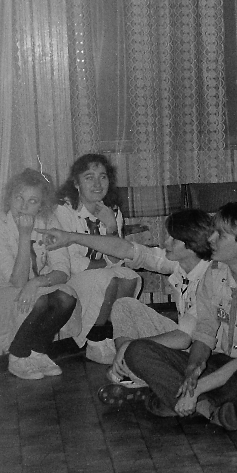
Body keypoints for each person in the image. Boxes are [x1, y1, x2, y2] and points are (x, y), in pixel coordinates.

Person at [121, 203, 237, 430]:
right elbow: (204, 332)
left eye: (220, 235)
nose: (211, 239)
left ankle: (182, 402)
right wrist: (193, 370)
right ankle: (209, 408)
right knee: (136, 350)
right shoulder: (214, 272)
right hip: (218, 364)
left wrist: (197, 388)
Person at [39, 208, 215, 396]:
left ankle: (146, 373)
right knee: (124, 306)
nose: (165, 242)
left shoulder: (210, 277)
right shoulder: (181, 263)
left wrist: (130, 346)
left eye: (173, 239)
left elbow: (184, 338)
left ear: (192, 244)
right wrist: (70, 237)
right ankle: (128, 369)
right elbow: (126, 250)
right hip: (186, 342)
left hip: (205, 357)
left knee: (136, 348)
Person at [0, 169, 77, 381]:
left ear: (41, 206)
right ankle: (18, 356)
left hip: (30, 285)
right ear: (9, 197)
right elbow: (17, 282)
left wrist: (36, 283)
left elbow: (62, 271)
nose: (23, 206)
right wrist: (25, 235)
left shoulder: (48, 223)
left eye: (32, 201)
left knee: (66, 297)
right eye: (19, 198)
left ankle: (38, 352)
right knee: (39, 302)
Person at [53, 154, 141, 365]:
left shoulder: (112, 211)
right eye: (89, 177)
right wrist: (107, 263)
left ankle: (111, 336)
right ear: (76, 183)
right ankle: (95, 341)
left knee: (129, 277)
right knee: (107, 278)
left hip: (99, 273)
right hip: (68, 278)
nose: (97, 184)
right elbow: (72, 263)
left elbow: (119, 257)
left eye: (103, 177)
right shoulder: (64, 210)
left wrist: (111, 226)